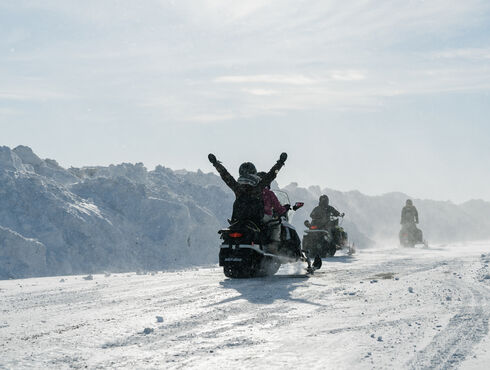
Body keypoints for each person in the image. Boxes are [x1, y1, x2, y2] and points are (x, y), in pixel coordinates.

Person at [208, 153, 287, 226]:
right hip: (256, 220)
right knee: (274, 226)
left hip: (237, 220)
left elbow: (225, 174)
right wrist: (280, 163)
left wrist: (216, 164)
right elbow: (271, 175)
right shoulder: (258, 188)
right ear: (254, 172)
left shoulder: (237, 188)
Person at [257, 172, 288, 253]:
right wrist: (284, 209)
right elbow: (278, 207)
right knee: (276, 225)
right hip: (264, 216)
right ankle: (273, 247)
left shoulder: (251, 191)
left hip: (251, 217)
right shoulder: (268, 193)